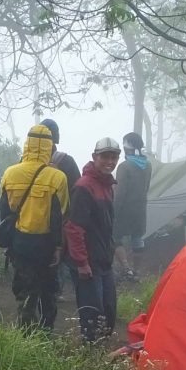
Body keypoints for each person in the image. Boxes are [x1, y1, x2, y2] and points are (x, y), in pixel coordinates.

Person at [0, 124, 69, 331]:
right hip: (46, 245)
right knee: (48, 291)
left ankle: (25, 334)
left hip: (19, 243)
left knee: (24, 291)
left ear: (26, 144)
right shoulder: (58, 177)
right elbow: (60, 216)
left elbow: (5, 212)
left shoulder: (10, 173)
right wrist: (58, 247)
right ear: (50, 146)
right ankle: (46, 332)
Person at [65, 137, 120, 342]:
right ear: (94, 157)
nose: (109, 161)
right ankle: (89, 357)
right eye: (105, 156)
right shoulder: (84, 187)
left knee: (109, 311)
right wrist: (81, 263)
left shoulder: (107, 186)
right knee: (92, 313)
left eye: (113, 157)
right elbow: (74, 228)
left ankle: (99, 353)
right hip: (88, 263)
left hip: (104, 260)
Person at [39, 118, 81, 301]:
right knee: (62, 255)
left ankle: (47, 290)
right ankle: (59, 290)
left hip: (36, 219)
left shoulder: (25, 161)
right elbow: (77, 190)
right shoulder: (67, 161)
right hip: (62, 218)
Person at [113, 132, 152, 281]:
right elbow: (147, 187)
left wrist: (114, 211)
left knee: (114, 237)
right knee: (137, 237)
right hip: (141, 208)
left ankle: (126, 269)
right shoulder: (147, 165)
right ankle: (136, 270)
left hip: (124, 209)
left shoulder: (124, 167)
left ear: (126, 148)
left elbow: (120, 192)